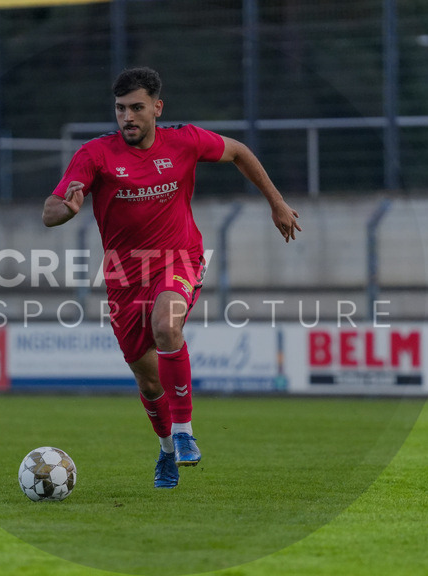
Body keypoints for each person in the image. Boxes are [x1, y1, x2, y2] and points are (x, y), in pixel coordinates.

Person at [43, 67, 301, 489]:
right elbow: (49, 211)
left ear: (157, 108)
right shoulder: (95, 154)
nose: (127, 117)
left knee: (166, 325)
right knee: (148, 381)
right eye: (120, 109)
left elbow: (238, 151)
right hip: (124, 278)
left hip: (179, 259)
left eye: (136, 108)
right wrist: (66, 210)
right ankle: (166, 449)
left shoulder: (184, 141)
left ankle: (183, 433)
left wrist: (276, 203)